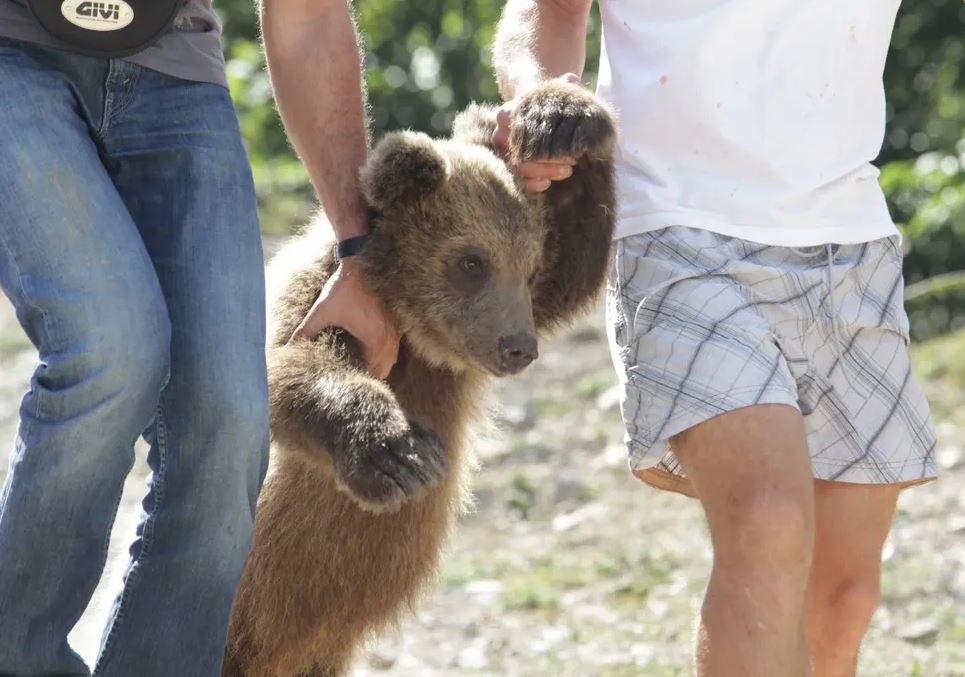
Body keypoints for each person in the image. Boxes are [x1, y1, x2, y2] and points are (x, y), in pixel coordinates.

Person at [492, 2, 937, 676]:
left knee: (840, 600)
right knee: (767, 524)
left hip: (849, 235)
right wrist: (540, 93)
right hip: (672, 222)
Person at [0, 0, 393, 674]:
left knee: (227, 420)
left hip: (173, 63)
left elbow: (309, 14)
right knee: (111, 347)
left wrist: (358, 255)